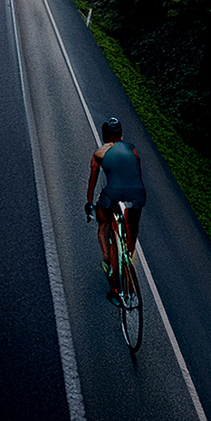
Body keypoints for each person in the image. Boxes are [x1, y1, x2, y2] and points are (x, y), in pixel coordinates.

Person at [85, 117, 146, 305]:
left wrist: (89, 204)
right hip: (137, 194)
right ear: (121, 134)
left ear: (105, 136)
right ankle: (128, 256)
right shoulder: (132, 149)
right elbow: (137, 174)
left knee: (103, 223)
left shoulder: (99, 153)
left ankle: (110, 265)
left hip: (113, 194)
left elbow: (92, 182)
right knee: (132, 226)